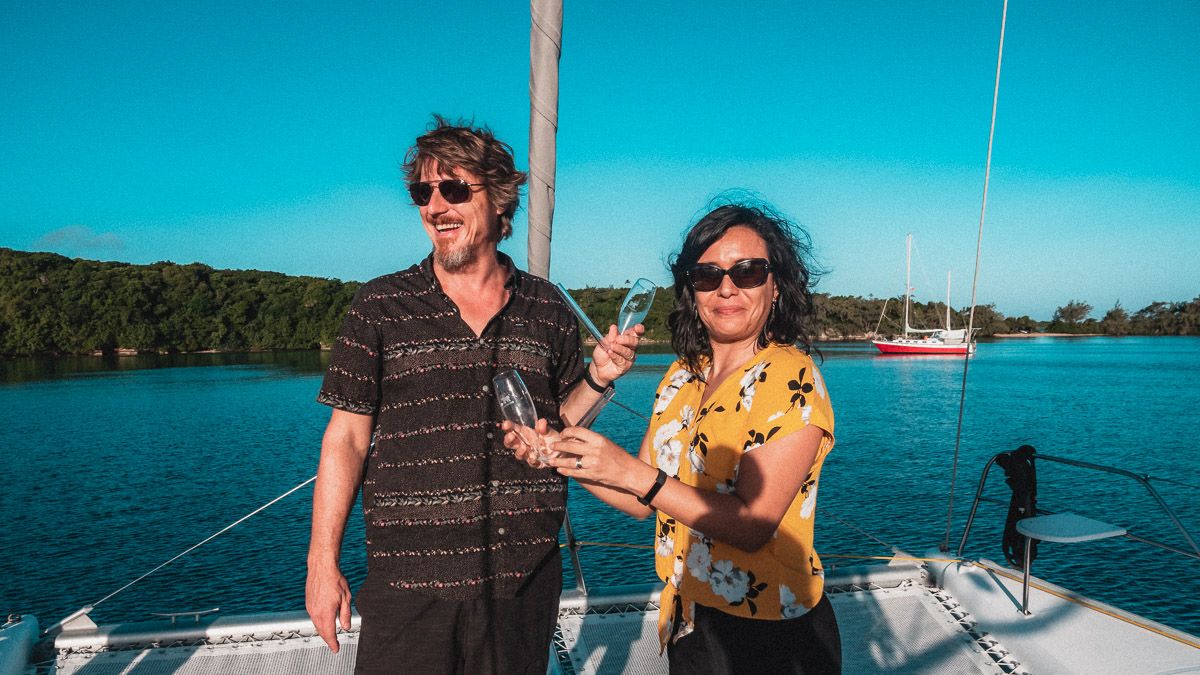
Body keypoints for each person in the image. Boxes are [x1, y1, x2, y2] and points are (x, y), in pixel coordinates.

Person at [306, 115, 641, 675]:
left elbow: (555, 428)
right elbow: (346, 439)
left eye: (455, 188)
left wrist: (599, 378)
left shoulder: (547, 307)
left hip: (522, 580)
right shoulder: (380, 306)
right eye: (423, 191)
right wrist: (322, 562)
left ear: (501, 203)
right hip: (409, 583)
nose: (435, 205)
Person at [508, 202, 841, 674]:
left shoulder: (791, 378)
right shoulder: (684, 374)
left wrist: (632, 471)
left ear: (777, 286)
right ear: (692, 291)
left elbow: (752, 525)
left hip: (773, 632)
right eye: (707, 275)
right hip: (690, 618)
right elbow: (641, 500)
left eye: (747, 272)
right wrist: (559, 456)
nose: (726, 287)